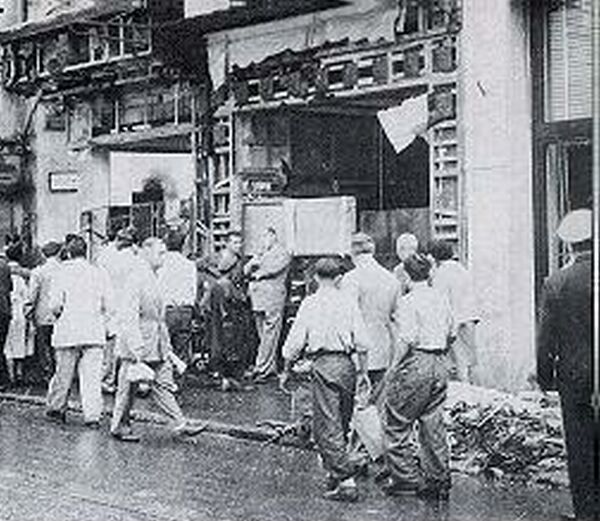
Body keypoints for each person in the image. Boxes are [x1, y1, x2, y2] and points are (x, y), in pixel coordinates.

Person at [280, 257, 371, 502]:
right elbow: (362, 342)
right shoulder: (349, 302)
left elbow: (294, 343)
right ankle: (334, 472)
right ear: (339, 278)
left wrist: (287, 367)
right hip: (347, 365)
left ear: (315, 278)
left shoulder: (310, 304)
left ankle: (345, 479)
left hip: (323, 363)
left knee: (326, 425)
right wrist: (363, 372)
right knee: (342, 420)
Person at [110, 237, 206, 442]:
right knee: (128, 389)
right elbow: (129, 316)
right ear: (146, 253)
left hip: (157, 342)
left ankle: (180, 424)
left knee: (163, 384)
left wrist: (167, 347)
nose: (164, 257)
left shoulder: (153, 277)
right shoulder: (136, 278)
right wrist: (136, 349)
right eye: (160, 253)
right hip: (139, 343)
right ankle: (119, 426)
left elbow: (158, 318)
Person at [537, 208, 597, 520]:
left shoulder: (556, 283)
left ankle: (587, 513)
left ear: (569, 245)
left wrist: (545, 379)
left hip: (574, 377)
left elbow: (546, 339)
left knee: (580, 449)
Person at [381, 253, 455, 499]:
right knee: (433, 423)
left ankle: (406, 479)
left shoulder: (408, 301)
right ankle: (438, 479)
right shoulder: (441, 298)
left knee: (396, 421)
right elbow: (452, 332)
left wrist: (393, 367)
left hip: (416, 360)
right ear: (429, 273)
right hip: (439, 360)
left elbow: (407, 338)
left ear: (406, 275)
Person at [45, 235, 113, 426]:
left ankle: (57, 408)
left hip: (68, 330)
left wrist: (59, 315)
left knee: (63, 373)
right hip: (93, 330)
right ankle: (92, 415)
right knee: (91, 377)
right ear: (86, 252)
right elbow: (110, 304)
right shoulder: (99, 273)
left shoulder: (61, 273)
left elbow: (55, 305)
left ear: (68, 252)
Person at [428, 239, 479, 383]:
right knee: (467, 365)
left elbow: (439, 305)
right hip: (469, 321)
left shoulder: (441, 274)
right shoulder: (461, 269)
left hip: (455, 324)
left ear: (434, 256)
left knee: (457, 366)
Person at [97, 227, 140, 394]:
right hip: (127, 304)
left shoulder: (105, 256)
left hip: (111, 304)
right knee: (127, 343)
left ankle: (107, 379)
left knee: (111, 344)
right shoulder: (134, 259)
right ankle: (126, 379)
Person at [246, 227, 291, 383]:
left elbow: (269, 270)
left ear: (273, 236)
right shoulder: (261, 254)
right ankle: (268, 366)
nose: (262, 241)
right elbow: (246, 270)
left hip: (272, 298)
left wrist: (258, 266)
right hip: (258, 298)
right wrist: (254, 261)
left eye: (265, 237)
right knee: (264, 335)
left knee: (269, 334)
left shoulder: (282, 253)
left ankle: (262, 367)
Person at [158, 229, 197, 363]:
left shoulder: (160, 264)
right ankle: (180, 380)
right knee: (182, 351)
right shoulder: (189, 265)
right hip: (185, 310)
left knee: (165, 350)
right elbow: (193, 290)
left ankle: (167, 381)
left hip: (166, 310)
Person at [25, 241, 62, 385]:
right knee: (57, 346)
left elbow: (32, 295)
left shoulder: (38, 272)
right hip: (60, 315)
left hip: (42, 315)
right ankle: (58, 374)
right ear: (58, 252)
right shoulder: (63, 270)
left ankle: (47, 374)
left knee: (43, 346)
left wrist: (28, 311)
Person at [3, 244, 33, 387]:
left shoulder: (5, 273)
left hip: (9, 311)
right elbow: (28, 299)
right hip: (20, 314)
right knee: (20, 344)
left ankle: (11, 375)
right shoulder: (22, 278)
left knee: (7, 346)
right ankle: (20, 373)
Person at [0, 245, 13, 390]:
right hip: (4, 311)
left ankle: (3, 380)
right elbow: (10, 288)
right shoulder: (5, 266)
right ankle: (4, 380)